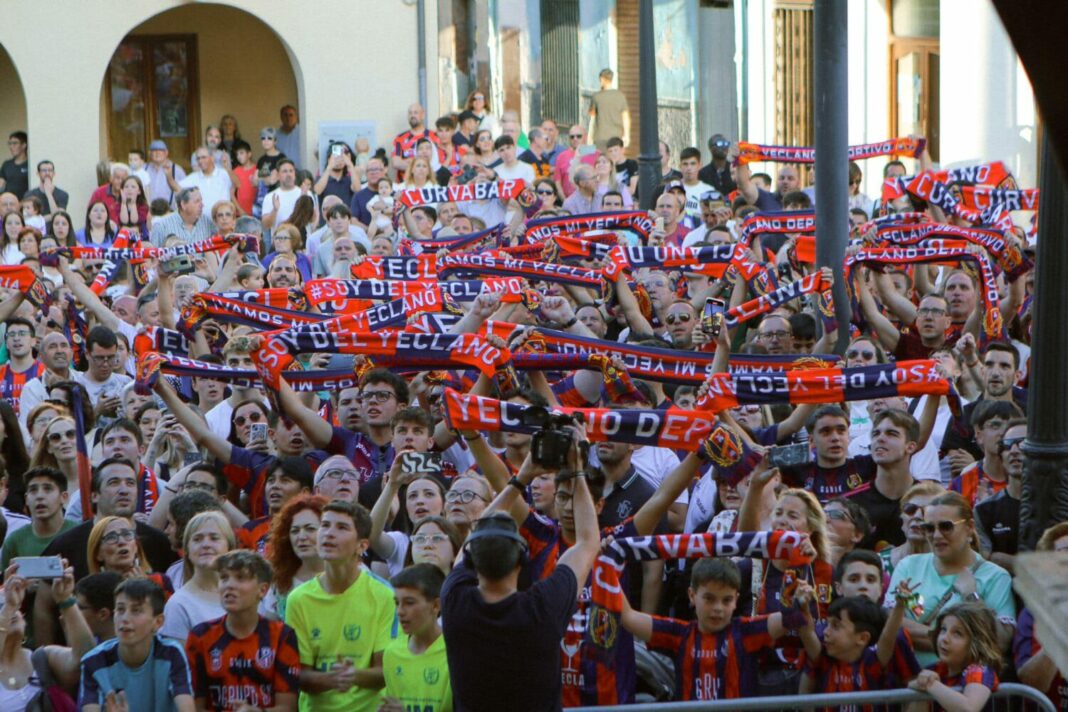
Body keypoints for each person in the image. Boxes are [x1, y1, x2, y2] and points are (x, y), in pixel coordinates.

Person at [621, 557, 815, 701]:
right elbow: (627, 617)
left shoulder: (746, 632)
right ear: (692, 595)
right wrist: (605, 562)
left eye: (726, 600)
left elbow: (792, 618)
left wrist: (801, 564)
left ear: (736, 600)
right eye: (709, 598)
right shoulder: (679, 634)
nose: (718, 608)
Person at [284, 500, 396, 712]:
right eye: (324, 526)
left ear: (362, 546)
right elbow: (298, 675)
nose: (329, 533)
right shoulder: (298, 599)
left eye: (342, 527)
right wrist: (332, 679)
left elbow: (386, 672)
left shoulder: (384, 595)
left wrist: (353, 675)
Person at [885, 492, 1016, 667]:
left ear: (969, 527)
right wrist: (959, 639)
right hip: (908, 684)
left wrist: (972, 597)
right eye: (930, 528)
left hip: (963, 688)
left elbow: (1000, 642)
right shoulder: (909, 566)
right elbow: (890, 624)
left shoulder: (995, 577)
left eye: (946, 526)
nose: (937, 535)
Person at [185, 550, 300, 712]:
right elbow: (195, 707)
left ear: (262, 590)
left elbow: (288, 707)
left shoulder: (282, 636)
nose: (229, 585)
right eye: (224, 578)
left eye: (240, 578)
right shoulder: (201, 636)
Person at [78, 578, 196, 712]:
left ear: (158, 622)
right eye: (120, 609)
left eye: (136, 610)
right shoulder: (94, 661)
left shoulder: (171, 653)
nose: (125, 618)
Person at [380, 563, 451, 712]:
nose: (399, 611)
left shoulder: (456, 654)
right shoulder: (392, 653)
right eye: (397, 603)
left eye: (409, 603)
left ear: (436, 605)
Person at [908, 602, 1002, 712]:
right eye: (943, 629)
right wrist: (919, 690)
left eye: (957, 633)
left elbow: (969, 708)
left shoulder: (979, 670)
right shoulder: (934, 670)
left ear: (976, 642)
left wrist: (930, 685)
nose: (945, 638)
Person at [160, 511, 235, 641]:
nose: (206, 544)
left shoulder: (248, 594)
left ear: (229, 547)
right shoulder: (178, 605)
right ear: (187, 550)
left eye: (214, 538)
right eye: (197, 539)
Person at [0, 466, 76, 569]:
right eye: (33, 490)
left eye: (48, 489)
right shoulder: (13, 541)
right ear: (26, 499)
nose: (39, 496)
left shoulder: (79, 534)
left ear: (64, 497)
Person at [148, 187, 216, 247]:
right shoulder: (161, 226)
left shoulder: (207, 222)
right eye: (197, 201)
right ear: (183, 204)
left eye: (201, 201)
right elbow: (153, 257)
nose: (202, 205)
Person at [588, 69, 630, 150]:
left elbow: (592, 119)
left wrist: (590, 138)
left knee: (601, 160)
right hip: (617, 137)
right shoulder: (620, 96)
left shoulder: (596, 97)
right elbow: (625, 118)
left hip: (600, 139)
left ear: (602, 79)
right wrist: (627, 136)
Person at [0, 132, 29, 199]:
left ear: (24, 145)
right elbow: (1, 184)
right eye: (10, 144)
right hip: (8, 203)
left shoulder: (29, 164)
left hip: (26, 204)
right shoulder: (7, 164)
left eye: (15, 143)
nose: (11, 146)